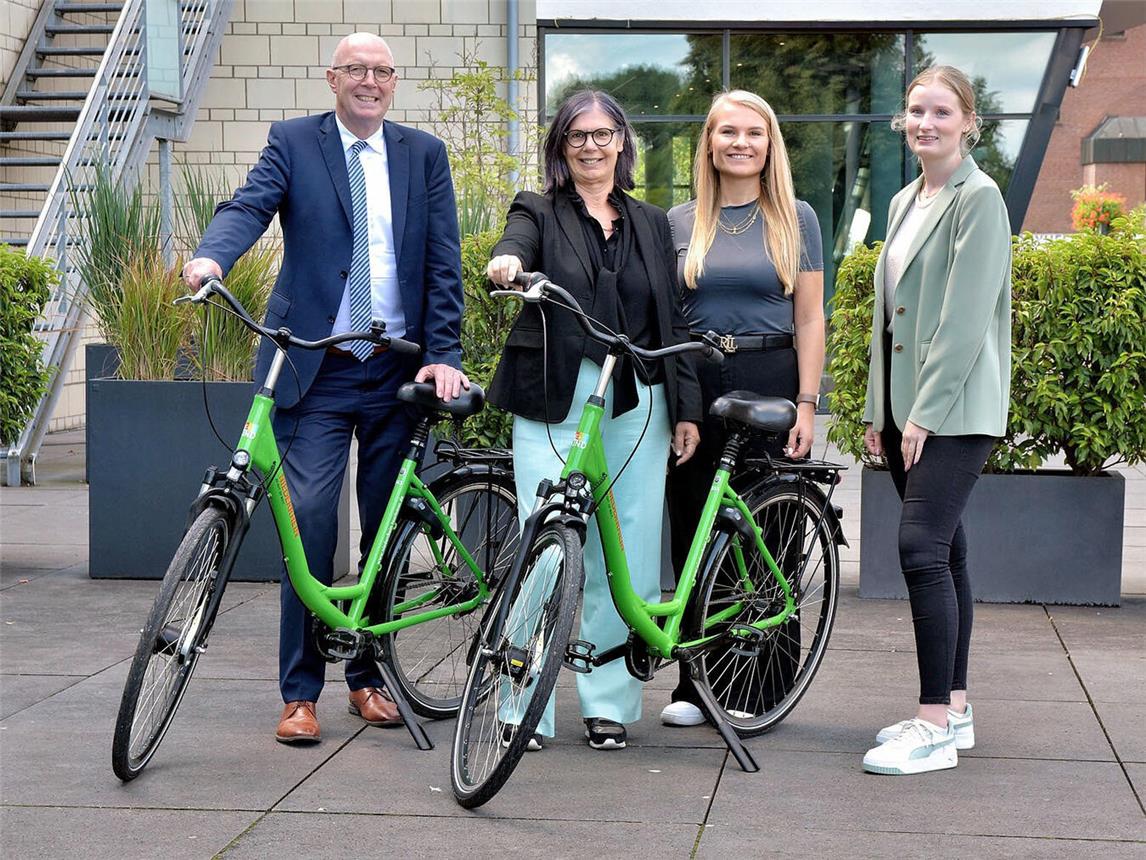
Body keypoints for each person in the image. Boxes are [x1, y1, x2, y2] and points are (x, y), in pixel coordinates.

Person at [182, 33, 468, 745]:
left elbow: (442, 263)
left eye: (381, 72)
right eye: (356, 71)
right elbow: (248, 205)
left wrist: (443, 354)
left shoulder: (423, 155)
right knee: (309, 519)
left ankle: (366, 678)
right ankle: (300, 692)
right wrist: (212, 256)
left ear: (393, 82)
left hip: (397, 370)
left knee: (383, 529)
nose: (369, 81)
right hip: (316, 364)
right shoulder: (294, 142)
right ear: (331, 78)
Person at [485, 90, 702, 751]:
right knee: (545, 538)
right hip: (558, 389)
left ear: (621, 144)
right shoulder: (539, 209)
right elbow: (513, 245)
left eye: (603, 134)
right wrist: (507, 265)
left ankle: (609, 703)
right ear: (560, 147)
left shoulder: (651, 221)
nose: (590, 146)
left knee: (627, 552)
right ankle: (522, 704)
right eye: (576, 136)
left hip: (640, 396)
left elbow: (673, 319)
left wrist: (686, 406)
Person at [860, 65, 1011, 775]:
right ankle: (954, 706)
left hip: (952, 407)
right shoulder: (902, 202)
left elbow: (963, 320)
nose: (925, 122)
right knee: (946, 549)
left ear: (968, 123)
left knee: (920, 547)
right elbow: (884, 317)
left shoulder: (978, 199)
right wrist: (875, 410)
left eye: (941, 111)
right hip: (904, 410)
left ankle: (933, 726)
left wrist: (920, 414)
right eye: (916, 110)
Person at [660, 90, 825, 728]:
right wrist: (679, 399)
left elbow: (810, 317)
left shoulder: (797, 217)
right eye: (728, 131)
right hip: (696, 377)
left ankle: (763, 686)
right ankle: (696, 685)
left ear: (770, 143)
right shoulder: (679, 220)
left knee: (770, 531)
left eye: (754, 133)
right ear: (708, 142)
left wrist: (808, 404)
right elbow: (669, 314)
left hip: (770, 373)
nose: (741, 143)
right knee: (695, 527)